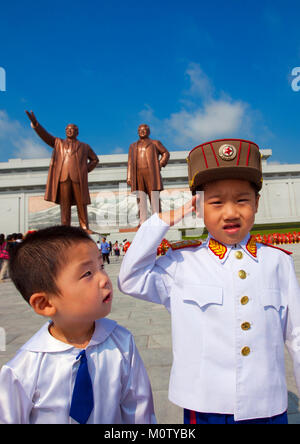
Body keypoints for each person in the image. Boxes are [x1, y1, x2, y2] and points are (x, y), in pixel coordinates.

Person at [119, 138, 300, 424]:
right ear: (199, 207)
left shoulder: (277, 262)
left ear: (257, 203)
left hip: (266, 403)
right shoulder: (181, 263)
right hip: (204, 405)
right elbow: (131, 279)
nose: (230, 212)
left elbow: (297, 335)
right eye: (215, 202)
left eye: (242, 200)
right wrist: (162, 220)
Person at [0, 226, 156, 424]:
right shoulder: (23, 370)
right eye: (88, 273)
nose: (104, 280)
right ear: (45, 303)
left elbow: (139, 410)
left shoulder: (122, 343)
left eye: (102, 267)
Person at [25, 111, 99, 234]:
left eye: (72, 129)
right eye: (67, 129)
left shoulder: (85, 146)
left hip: (78, 178)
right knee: (65, 205)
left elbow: (95, 160)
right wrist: (35, 124)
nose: (69, 131)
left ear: (77, 132)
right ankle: (65, 228)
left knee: (81, 204)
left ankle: (84, 226)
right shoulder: (58, 143)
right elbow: (46, 136)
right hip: (63, 177)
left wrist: (85, 170)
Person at [127, 124, 170, 224]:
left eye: (144, 130)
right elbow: (129, 162)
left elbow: (166, 153)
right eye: (140, 130)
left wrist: (160, 164)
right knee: (140, 198)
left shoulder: (155, 143)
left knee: (154, 198)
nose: (142, 132)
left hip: (151, 174)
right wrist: (129, 177)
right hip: (137, 174)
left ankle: (157, 220)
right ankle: (143, 221)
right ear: (137, 132)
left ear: (148, 132)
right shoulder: (133, 146)